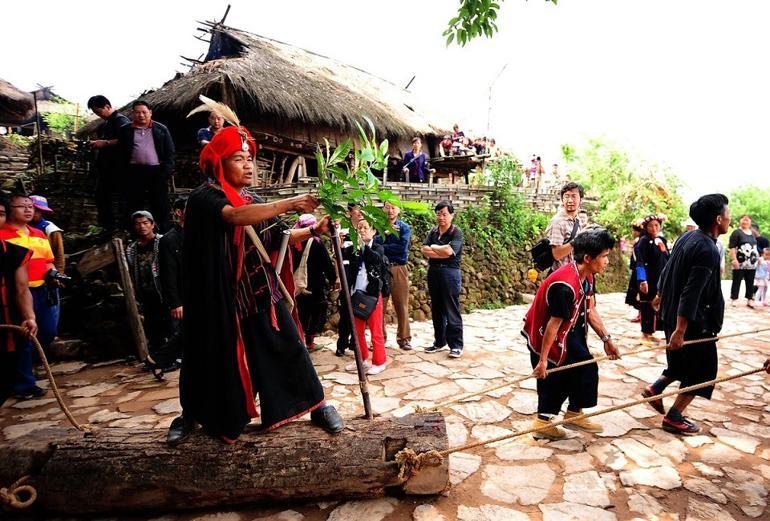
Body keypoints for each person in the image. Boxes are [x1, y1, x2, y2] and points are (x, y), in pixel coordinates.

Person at [167, 124, 342, 446]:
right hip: (218, 300)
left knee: (290, 347)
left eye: (249, 158)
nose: (248, 165)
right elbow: (235, 217)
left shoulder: (255, 200)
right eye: (238, 158)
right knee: (207, 359)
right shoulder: (204, 198)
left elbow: (280, 237)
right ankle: (190, 414)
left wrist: (316, 229)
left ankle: (316, 405)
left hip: (259, 293)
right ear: (220, 163)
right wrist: (290, 203)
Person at [642, 194, 730, 435]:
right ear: (718, 219)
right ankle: (675, 416)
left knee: (680, 363)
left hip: (672, 314)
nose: (729, 220)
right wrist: (681, 330)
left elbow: (668, 268)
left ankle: (655, 388)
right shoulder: (708, 250)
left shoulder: (688, 237)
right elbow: (692, 293)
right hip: (694, 322)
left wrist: (660, 295)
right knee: (702, 371)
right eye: (727, 215)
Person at [522, 226, 620, 439]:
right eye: (604, 257)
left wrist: (606, 339)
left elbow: (590, 308)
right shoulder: (564, 285)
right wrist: (543, 360)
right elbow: (552, 325)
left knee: (584, 367)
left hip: (570, 327)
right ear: (588, 257)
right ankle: (542, 423)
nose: (607, 261)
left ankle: (574, 414)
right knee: (555, 375)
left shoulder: (588, 275)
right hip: (544, 332)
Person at [0, 194, 58, 399]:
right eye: (22, 206)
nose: (28, 210)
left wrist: (53, 274)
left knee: (48, 331)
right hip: (15, 292)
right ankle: (25, 383)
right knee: (23, 337)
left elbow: (49, 260)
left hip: (41, 289)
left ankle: (26, 367)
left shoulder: (39, 234)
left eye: (30, 207)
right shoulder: (3, 235)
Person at [0, 197, 38, 404]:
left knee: (5, 384)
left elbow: (22, 290)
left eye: (1, 214)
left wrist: (29, 317)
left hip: (8, 323)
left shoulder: (15, 254)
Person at [117, 100, 175, 231]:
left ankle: (162, 234)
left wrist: (165, 173)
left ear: (150, 113)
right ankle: (133, 233)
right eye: (137, 112)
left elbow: (170, 153)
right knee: (134, 204)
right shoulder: (125, 131)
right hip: (134, 172)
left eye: (144, 112)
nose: (141, 115)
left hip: (156, 172)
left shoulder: (161, 129)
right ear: (133, 114)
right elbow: (120, 155)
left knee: (160, 205)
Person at [343, 219, 388, 375]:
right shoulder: (355, 248)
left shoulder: (378, 247)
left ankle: (380, 361)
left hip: (372, 295)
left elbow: (375, 259)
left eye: (365, 228)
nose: (361, 230)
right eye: (359, 228)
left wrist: (363, 246)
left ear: (374, 231)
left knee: (376, 330)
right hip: (356, 294)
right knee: (357, 331)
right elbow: (343, 255)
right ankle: (361, 359)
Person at [126, 211, 168, 368]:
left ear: (152, 224)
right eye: (138, 224)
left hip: (163, 291)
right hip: (145, 291)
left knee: (170, 325)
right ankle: (156, 359)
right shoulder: (132, 249)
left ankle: (172, 358)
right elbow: (130, 270)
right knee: (152, 327)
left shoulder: (163, 242)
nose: (142, 226)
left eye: (145, 223)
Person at [422, 201, 464, 358]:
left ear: (451, 215)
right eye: (438, 214)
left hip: (450, 273)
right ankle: (439, 342)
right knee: (437, 309)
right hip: (434, 272)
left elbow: (449, 251)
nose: (441, 217)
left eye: (444, 214)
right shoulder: (433, 231)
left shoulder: (456, 232)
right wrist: (439, 249)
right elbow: (424, 250)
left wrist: (434, 248)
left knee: (451, 308)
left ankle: (456, 345)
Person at [292, 213, 337, 352]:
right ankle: (309, 343)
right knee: (315, 312)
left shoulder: (293, 242)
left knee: (299, 312)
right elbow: (327, 265)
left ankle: (297, 341)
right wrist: (333, 279)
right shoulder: (316, 242)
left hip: (296, 284)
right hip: (314, 286)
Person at [87, 95, 130, 232]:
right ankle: (108, 228)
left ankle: (120, 229)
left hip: (118, 169)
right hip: (106, 169)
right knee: (102, 198)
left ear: (107, 106)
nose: (98, 115)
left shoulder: (121, 121)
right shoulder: (106, 124)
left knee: (118, 200)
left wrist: (104, 143)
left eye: (99, 111)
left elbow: (127, 140)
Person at [375, 201, 412, 350]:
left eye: (393, 207)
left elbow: (402, 249)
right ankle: (379, 338)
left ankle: (404, 338)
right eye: (387, 207)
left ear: (399, 210)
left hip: (398, 268)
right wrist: (385, 234)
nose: (390, 210)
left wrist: (383, 247)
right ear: (383, 209)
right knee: (379, 306)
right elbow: (373, 245)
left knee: (401, 304)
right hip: (381, 268)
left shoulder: (404, 228)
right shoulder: (377, 226)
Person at [155, 198, 186, 374]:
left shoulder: (201, 234)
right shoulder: (169, 240)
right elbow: (168, 273)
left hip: (201, 292)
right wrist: (175, 302)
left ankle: (160, 358)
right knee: (183, 330)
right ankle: (163, 357)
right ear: (178, 212)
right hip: (182, 294)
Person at [634, 214, 670, 342]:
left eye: (656, 225)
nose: (654, 228)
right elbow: (640, 262)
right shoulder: (643, 242)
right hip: (648, 279)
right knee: (647, 304)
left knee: (658, 304)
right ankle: (645, 333)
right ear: (645, 227)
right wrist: (642, 280)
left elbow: (667, 259)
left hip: (660, 279)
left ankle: (654, 330)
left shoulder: (662, 241)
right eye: (650, 226)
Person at [336, 202, 363, 356]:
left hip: (360, 270)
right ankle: (341, 343)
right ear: (350, 211)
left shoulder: (366, 227)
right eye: (357, 210)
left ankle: (355, 342)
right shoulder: (342, 228)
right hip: (346, 270)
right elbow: (338, 255)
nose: (360, 213)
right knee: (346, 307)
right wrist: (339, 276)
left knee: (359, 306)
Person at [545, 182, 584, 272]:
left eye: (574, 196)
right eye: (566, 196)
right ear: (562, 200)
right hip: (560, 275)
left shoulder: (578, 220)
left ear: (580, 200)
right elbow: (557, 254)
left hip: (574, 272)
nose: (570, 200)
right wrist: (579, 239)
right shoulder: (558, 222)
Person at [728, 214, 759, 307]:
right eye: (743, 220)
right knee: (736, 280)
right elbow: (732, 247)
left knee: (750, 281)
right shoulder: (736, 233)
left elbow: (756, 246)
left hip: (752, 263)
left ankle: (750, 299)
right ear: (740, 221)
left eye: (747, 220)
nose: (745, 221)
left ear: (750, 222)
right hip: (740, 262)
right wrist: (734, 259)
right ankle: (734, 298)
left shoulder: (753, 233)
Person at [29, 195, 65, 273]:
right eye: (33, 209)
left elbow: (59, 255)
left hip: (45, 271)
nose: (35, 213)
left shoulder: (51, 229)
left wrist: (59, 274)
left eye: (39, 210)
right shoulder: (20, 226)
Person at [624, 219, 644, 322]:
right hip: (636, 271)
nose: (633, 233)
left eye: (634, 231)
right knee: (637, 294)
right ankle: (640, 314)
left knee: (640, 294)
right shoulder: (638, 241)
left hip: (640, 272)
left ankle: (642, 314)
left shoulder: (641, 243)